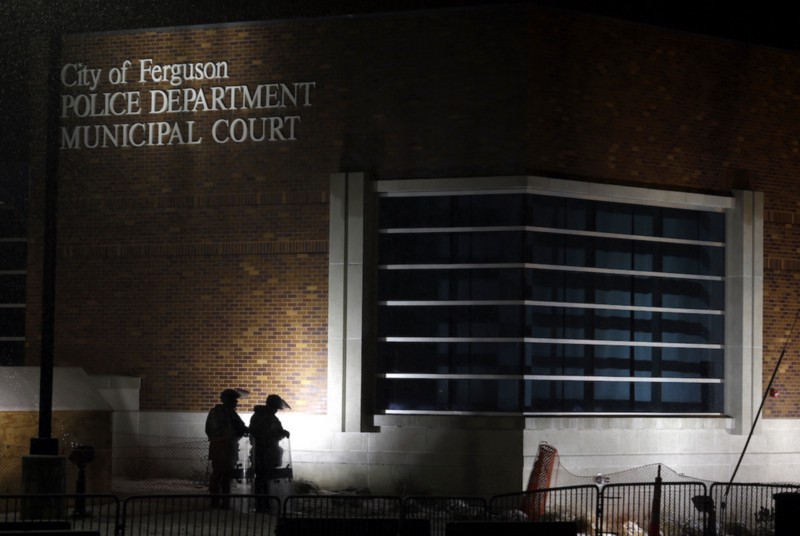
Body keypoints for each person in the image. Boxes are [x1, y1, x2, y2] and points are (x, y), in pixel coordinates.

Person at [205, 388, 249, 508]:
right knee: (219, 475)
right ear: (227, 400)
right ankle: (217, 501)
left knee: (224, 475)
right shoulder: (220, 413)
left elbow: (242, 427)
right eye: (234, 400)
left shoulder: (229, 413)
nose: (236, 402)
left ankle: (223, 501)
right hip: (222, 448)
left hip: (227, 448)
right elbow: (212, 431)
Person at [249, 394, 291, 511]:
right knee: (262, 479)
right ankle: (261, 504)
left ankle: (264, 504)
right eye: (275, 408)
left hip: (267, 452)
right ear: (271, 406)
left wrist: (282, 433)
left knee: (265, 479)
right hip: (264, 453)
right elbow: (264, 435)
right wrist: (281, 434)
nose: (276, 410)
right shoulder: (264, 417)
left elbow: (273, 433)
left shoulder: (265, 416)